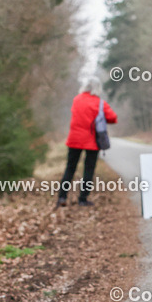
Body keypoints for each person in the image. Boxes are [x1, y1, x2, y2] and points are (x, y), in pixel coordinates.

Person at [57, 77, 118, 208]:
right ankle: (83, 199)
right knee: (88, 170)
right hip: (92, 141)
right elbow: (113, 118)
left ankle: (62, 197)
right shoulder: (99, 103)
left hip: (74, 139)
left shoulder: (76, 100)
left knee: (70, 168)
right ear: (98, 88)